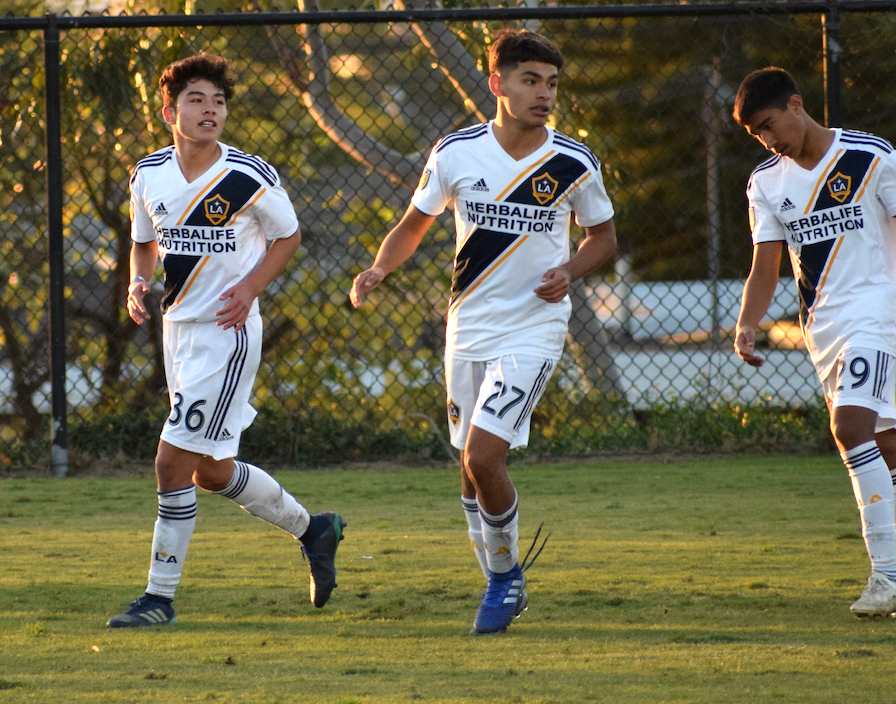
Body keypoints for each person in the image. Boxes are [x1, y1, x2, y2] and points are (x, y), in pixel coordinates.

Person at [350, 28, 617, 634]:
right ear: (497, 84)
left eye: (551, 84)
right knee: (469, 472)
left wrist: (570, 270)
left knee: (485, 455)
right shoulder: (456, 152)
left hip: (535, 327)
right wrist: (378, 268)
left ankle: (504, 580)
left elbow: (605, 237)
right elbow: (414, 224)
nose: (543, 94)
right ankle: (502, 574)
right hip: (468, 327)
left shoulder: (573, 160)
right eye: (530, 81)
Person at [732, 67, 896, 619]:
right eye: (757, 134)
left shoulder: (870, 156)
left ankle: (884, 578)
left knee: (848, 430)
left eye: (769, 125)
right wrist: (747, 322)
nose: (768, 140)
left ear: (796, 105)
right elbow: (765, 265)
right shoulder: (766, 182)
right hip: (822, 328)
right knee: (885, 446)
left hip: (876, 313)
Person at [109, 53, 346, 628]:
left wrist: (248, 289)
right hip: (177, 333)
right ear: (169, 110)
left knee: (170, 464)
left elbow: (288, 237)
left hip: (227, 336)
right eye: (196, 99)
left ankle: (159, 599)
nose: (210, 109)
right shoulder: (148, 174)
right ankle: (313, 530)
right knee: (210, 472)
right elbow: (144, 242)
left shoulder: (248, 175)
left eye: (218, 101)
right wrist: (138, 282)